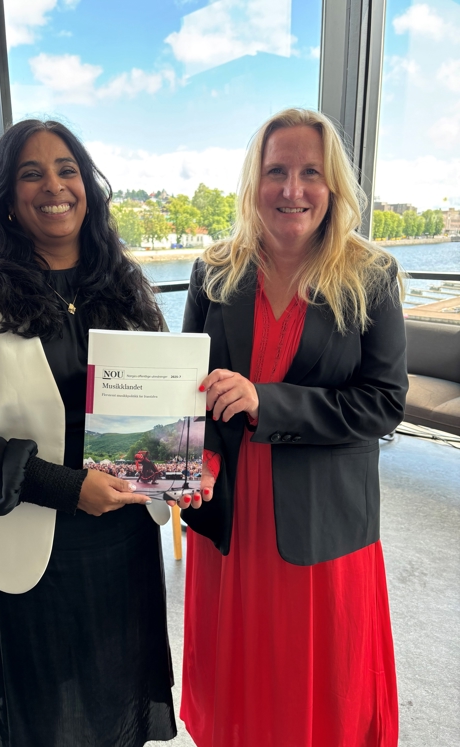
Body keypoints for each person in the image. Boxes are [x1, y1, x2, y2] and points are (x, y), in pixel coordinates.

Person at [0, 120, 177, 747]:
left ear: (88, 187)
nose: (54, 185)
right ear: (6, 195)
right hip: (22, 544)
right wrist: (66, 487)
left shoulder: (122, 283)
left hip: (122, 537)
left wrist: (181, 456)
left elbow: (158, 397)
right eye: (32, 173)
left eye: (66, 170)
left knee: (111, 696)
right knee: (36, 714)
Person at [179, 108, 408, 747]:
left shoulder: (372, 275)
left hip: (324, 515)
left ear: (333, 185)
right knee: (241, 679)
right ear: (253, 182)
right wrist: (196, 462)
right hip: (231, 509)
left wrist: (267, 403)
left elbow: (384, 402)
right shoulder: (213, 272)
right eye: (276, 171)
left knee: (321, 683)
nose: (292, 189)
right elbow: (189, 390)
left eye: (311, 172)